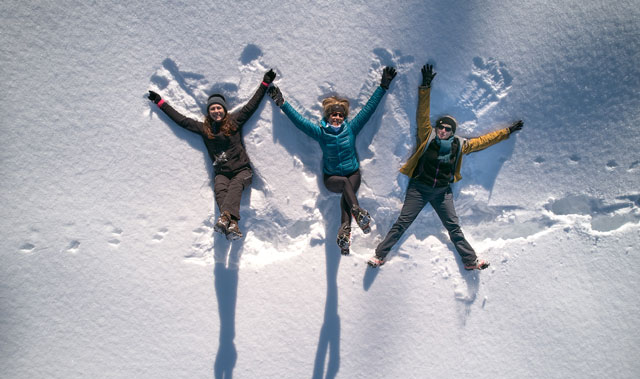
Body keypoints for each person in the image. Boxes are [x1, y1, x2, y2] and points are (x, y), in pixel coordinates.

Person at [367, 64, 524, 269]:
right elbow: (422, 115)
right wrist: (425, 86)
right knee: (402, 223)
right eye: (440, 126)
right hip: (419, 189)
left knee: (453, 227)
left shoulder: (460, 144)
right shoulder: (427, 136)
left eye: (447, 128)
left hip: (442, 193)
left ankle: (470, 261)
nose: (442, 130)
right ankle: (379, 255)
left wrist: (507, 132)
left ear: (453, 131)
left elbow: (484, 141)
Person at [267, 66, 397, 255]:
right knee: (344, 186)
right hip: (332, 178)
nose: (337, 117)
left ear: (343, 117)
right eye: (333, 114)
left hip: (353, 174)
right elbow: (299, 122)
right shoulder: (321, 133)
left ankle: (345, 234)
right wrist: (282, 103)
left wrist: (383, 86)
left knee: (347, 192)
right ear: (328, 116)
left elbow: (368, 110)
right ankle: (357, 212)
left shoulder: (351, 129)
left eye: (340, 115)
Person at [147, 69, 276, 240]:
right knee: (219, 189)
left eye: (219, 108)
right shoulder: (204, 130)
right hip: (222, 173)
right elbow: (182, 120)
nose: (216, 111)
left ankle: (226, 218)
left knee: (236, 186)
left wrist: (265, 83)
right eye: (213, 109)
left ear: (224, 109)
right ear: (209, 112)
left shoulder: (234, 122)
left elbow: (251, 106)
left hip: (242, 171)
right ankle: (233, 225)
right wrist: (160, 102)